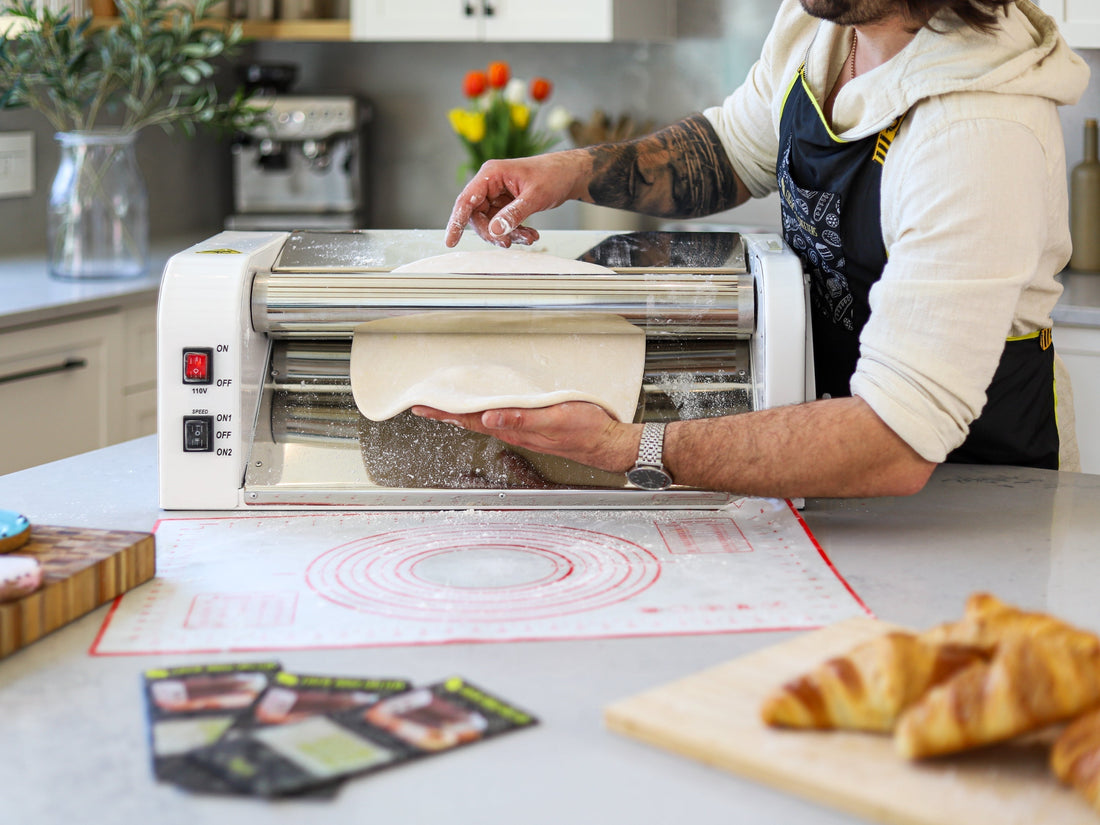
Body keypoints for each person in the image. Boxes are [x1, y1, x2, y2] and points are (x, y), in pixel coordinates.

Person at [415, 0, 1089, 499]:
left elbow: (895, 439)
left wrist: (625, 447)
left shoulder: (977, 130)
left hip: (973, 502)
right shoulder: (823, 27)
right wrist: (573, 171)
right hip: (824, 455)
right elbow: (730, 150)